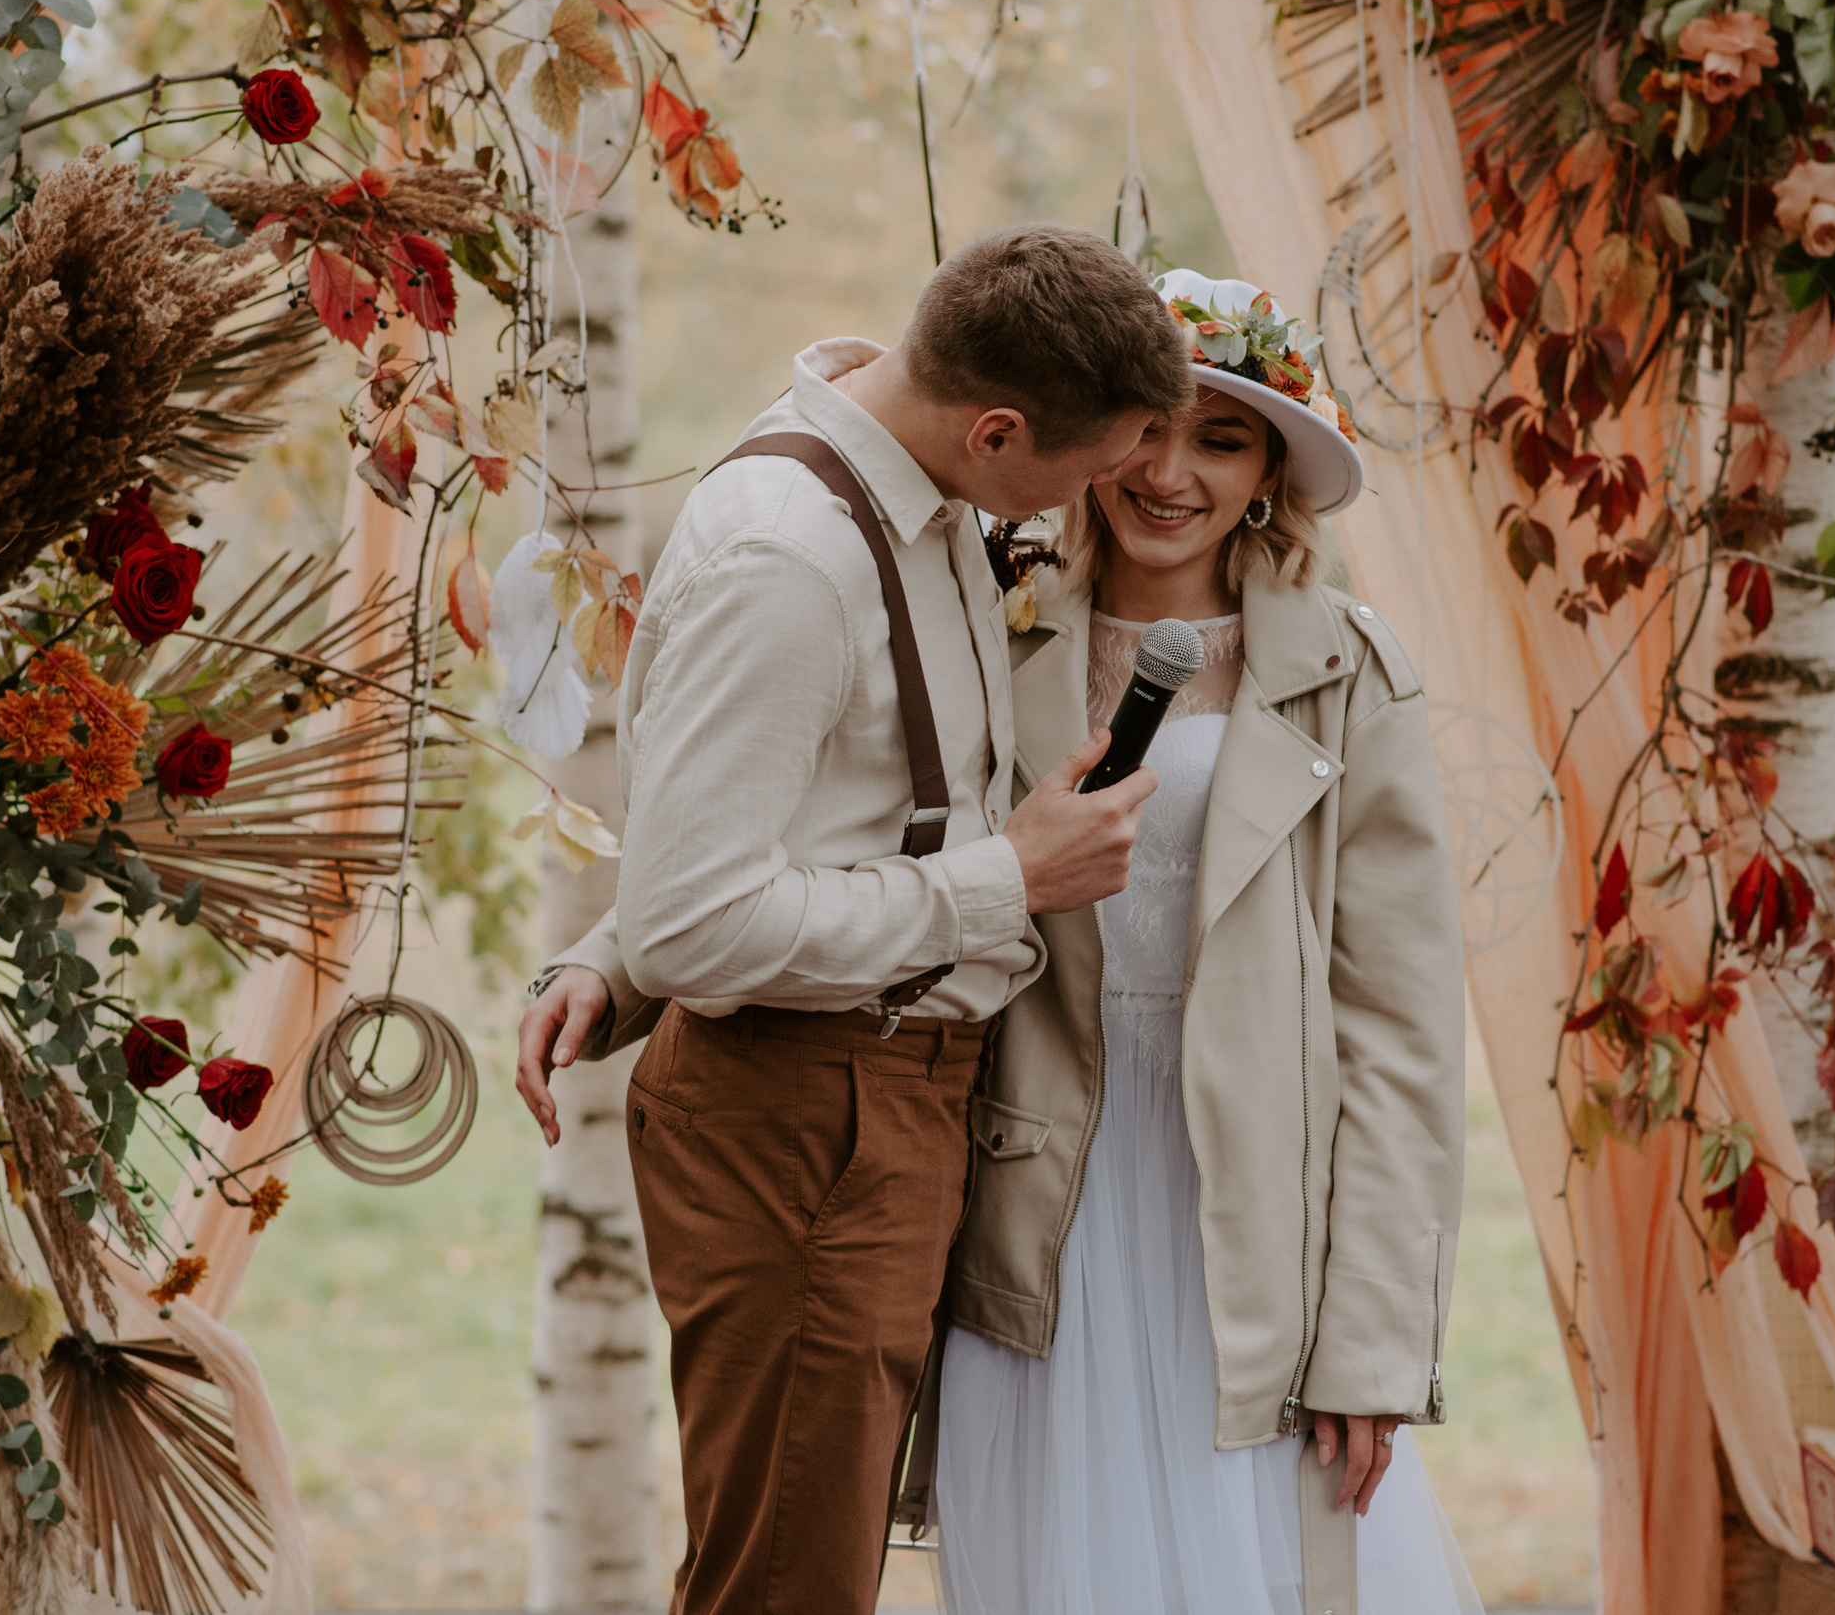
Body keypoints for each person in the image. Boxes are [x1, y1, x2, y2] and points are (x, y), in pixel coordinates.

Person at [514, 224, 1194, 1615]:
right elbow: (707, 919)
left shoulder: (921, 494)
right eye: (1090, 469)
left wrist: (614, 954)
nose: (1102, 498)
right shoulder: (794, 558)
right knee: (786, 1584)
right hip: (807, 1121)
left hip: (868, 1107)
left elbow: (774, 824)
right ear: (996, 427)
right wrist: (1012, 876)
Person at [926, 269, 1482, 1615]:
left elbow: (1402, 1035)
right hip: (1035, 1194)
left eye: (1221, 440)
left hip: (1252, 1219)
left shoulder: (1348, 672)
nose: (1169, 472)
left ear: (1270, 475)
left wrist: (1371, 1338)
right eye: (1150, 427)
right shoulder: (988, 631)